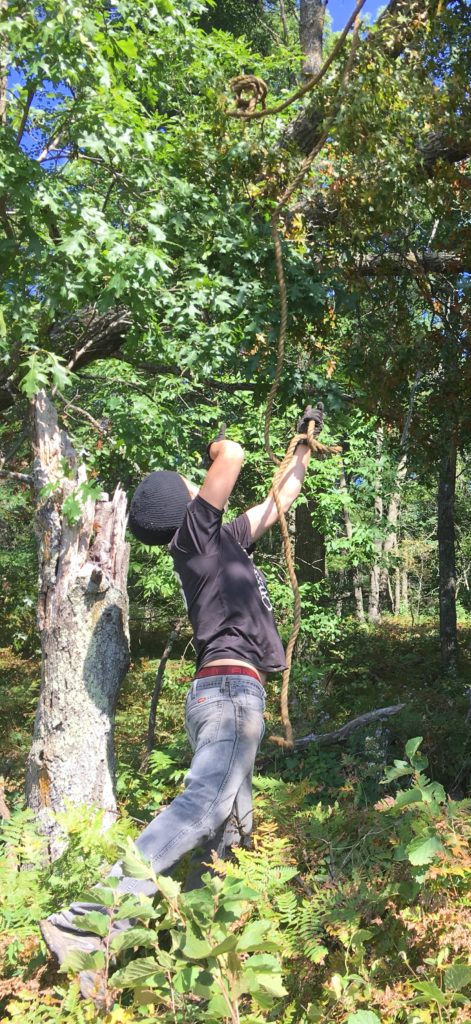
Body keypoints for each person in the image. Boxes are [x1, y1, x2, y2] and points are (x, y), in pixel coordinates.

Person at [40, 405, 325, 1002]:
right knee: (203, 807)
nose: (203, 485)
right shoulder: (193, 536)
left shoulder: (221, 540)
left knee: (232, 835)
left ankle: (201, 974)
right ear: (183, 502)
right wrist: (219, 445)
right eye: (195, 486)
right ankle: (85, 924)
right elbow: (235, 455)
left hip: (227, 694)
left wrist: (304, 444)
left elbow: (279, 501)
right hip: (228, 694)